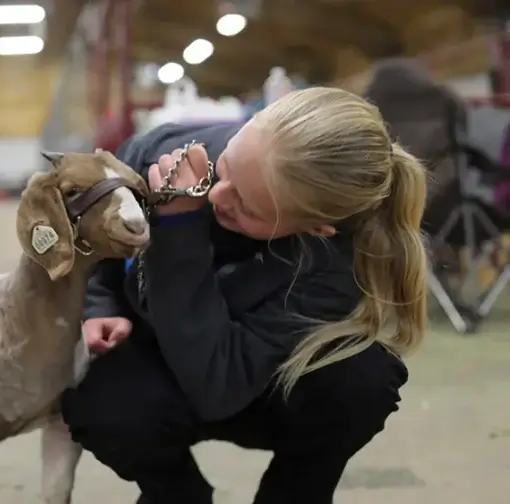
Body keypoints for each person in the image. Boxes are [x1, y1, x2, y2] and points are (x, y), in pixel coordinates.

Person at [60, 86, 429, 504]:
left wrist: (179, 230)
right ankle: (177, 494)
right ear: (249, 127)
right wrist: (99, 306)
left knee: (363, 379)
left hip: (252, 381)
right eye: (228, 167)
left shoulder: (338, 265)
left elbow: (218, 386)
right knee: (94, 396)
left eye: (248, 207)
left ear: (315, 229)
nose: (218, 194)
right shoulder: (165, 154)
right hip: (157, 360)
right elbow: (86, 246)